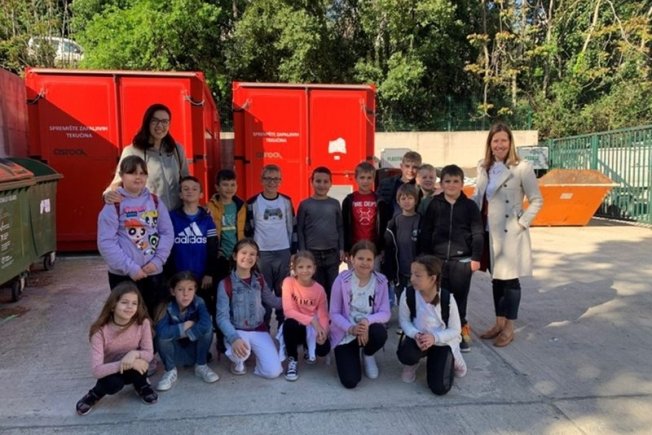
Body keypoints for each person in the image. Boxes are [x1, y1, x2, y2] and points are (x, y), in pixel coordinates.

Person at [471, 122, 543, 347]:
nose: (499, 145)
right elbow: (477, 197)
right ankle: (499, 323)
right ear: (490, 144)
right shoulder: (484, 167)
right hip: (488, 232)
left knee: (510, 281)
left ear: (510, 142)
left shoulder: (522, 168)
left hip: (510, 233)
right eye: (495, 141)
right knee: (497, 279)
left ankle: (509, 327)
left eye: (504, 140)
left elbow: (537, 200)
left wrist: (521, 223)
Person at [97, 155, 173, 319]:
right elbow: (106, 242)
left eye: (142, 173)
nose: (138, 177)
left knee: (154, 318)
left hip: (153, 273)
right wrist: (130, 268)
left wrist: (157, 261)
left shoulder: (155, 202)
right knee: (127, 320)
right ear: (121, 176)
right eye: (132, 172)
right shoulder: (114, 204)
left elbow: (167, 233)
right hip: (123, 276)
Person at [418, 165, 484, 352]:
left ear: (462, 184)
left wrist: (476, 258)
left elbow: (478, 233)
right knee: (438, 297)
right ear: (441, 184)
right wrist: (424, 258)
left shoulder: (470, 206)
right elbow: (426, 231)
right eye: (447, 181)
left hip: (462, 262)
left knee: (459, 299)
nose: (451, 185)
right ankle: (440, 330)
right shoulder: (434, 204)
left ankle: (460, 332)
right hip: (437, 261)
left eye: (456, 181)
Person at [75, 282, 157, 416]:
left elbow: (149, 353)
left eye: (134, 303)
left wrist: (133, 354)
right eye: (124, 302)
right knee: (112, 384)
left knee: (142, 364)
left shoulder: (143, 323)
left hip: (135, 368)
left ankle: (142, 385)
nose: (130, 307)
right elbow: (96, 370)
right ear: (113, 305)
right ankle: (95, 393)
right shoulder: (99, 331)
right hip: (112, 371)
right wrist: (125, 363)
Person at [397, 256, 467, 395]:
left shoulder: (447, 298)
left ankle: (454, 357)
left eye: (418, 276)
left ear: (432, 278)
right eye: (412, 274)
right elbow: (404, 321)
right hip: (419, 339)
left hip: (441, 342)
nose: (412, 279)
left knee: (439, 388)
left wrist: (434, 338)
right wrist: (416, 335)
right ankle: (412, 364)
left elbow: (455, 329)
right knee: (407, 354)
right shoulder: (408, 294)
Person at [216, 238, 283, 379]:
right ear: (235, 256)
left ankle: (257, 354)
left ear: (257, 258)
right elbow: (222, 317)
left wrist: (295, 300)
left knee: (273, 372)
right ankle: (238, 362)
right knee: (242, 353)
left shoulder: (259, 280)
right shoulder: (225, 284)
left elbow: (273, 301)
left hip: (258, 329)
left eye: (252, 254)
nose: (248, 257)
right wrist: (234, 338)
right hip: (237, 330)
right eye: (244, 253)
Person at [103, 103, 189, 210]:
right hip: (148, 215)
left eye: (164, 121)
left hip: (176, 215)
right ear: (147, 122)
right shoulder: (132, 151)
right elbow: (118, 182)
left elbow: (186, 181)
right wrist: (108, 194)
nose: (160, 126)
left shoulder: (177, 149)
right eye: (155, 121)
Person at [329, 240, 391, 389]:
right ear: (352, 259)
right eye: (360, 258)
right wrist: (351, 328)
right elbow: (334, 313)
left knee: (379, 333)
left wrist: (366, 322)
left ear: (374, 261)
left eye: (369, 259)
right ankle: (351, 353)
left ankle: (368, 354)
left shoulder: (381, 281)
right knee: (350, 381)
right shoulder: (342, 280)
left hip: (367, 329)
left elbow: (385, 313)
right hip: (346, 332)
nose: (365, 263)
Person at [245, 164, 296, 326]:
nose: (272, 182)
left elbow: (292, 226)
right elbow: (248, 230)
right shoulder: (253, 203)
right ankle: (264, 327)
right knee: (263, 292)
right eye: (268, 179)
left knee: (283, 291)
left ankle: (283, 327)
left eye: (276, 179)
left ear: (280, 181)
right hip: (262, 254)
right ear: (261, 180)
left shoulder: (286, 202)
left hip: (283, 251)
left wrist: (293, 251)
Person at [155, 271, 219, 391]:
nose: (186, 294)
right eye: (180, 289)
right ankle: (170, 370)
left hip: (195, 351)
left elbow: (206, 324)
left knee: (208, 329)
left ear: (195, 290)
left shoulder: (199, 302)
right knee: (161, 337)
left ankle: (201, 365)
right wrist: (184, 326)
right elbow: (162, 333)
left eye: (190, 289)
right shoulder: (166, 306)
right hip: (174, 353)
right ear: (173, 291)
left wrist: (188, 334)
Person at [168, 176, 219, 323]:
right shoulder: (172, 218)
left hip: (202, 277)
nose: (190, 191)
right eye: (185, 189)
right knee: (178, 313)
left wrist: (209, 273)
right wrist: (171, 274)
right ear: (180, 194)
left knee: (202, 312)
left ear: (201, 194)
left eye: (194, 189)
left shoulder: (206, 219)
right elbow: (168, 248)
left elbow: (213, 247)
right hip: (178, 275)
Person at [281, 251, 330, 381]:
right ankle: (293, 358)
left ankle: (309, 346)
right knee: (289, 324)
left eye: (308, 267)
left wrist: (323, 331)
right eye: (300, 267)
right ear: (294, 269)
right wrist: (312, 320)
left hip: (312, 327)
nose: (305, 270)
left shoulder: (319, 289)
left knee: (323, 350)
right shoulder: (288, 282)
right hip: (297, 324)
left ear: (314, 268)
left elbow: (323, 314)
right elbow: (288, 311)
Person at [296, 167, 344, 300]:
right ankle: (318, 312)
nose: (322, 185)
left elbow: (340, 227)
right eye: (318, 181)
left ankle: (332, 312)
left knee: (333, 289)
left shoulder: (335, 204)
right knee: (317, 289)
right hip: (312, 254)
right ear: (312, 182)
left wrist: (341, 248)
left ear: (331, 183)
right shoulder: (305, 205)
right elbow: (300, 229)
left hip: (332, 253)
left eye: (325, 181)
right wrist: (303, 251)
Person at [342, 161, 391, 269]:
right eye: (362, 177)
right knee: (354, 277)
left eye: (369, 178)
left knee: (373, 277)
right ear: (356, 178)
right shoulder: (349, 200)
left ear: (373, 179)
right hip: (354, 248)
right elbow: (344, 225)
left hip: (374, 249)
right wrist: (346, 248)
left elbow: (383, 226)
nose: (365, 181)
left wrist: (382, 248)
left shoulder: (379, 201)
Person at [382, 183, 421, 306]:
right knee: (402, 301)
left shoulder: (422, 221)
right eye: (403, 198)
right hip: (400, 271)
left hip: (418, 270)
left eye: (410, 198)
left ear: (416, 200)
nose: (406, 201)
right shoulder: (393, 223)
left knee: (417, 301)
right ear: (398, 202)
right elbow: (389, 248)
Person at [377, 151, 422, 216]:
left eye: (414, 167)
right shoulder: (386, 183)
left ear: (419, 169)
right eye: (407, 166)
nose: (410, 170)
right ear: (401, 166)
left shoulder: (421, 186)